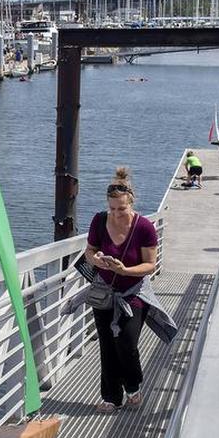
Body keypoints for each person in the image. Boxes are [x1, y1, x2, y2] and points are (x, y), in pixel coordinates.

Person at [84, 167, 158, 413]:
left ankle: (133, 386)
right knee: (107, 345)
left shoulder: (145, 227)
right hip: (105, 292)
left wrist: (125, 270)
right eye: (112, 209)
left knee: (126, 343)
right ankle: (111, 397)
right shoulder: (99, 220)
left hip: (133, 293)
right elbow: (89, 251)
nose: (116, 214)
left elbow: (150, 265)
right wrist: (98, 260)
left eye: (122, 209)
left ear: (131, 203)